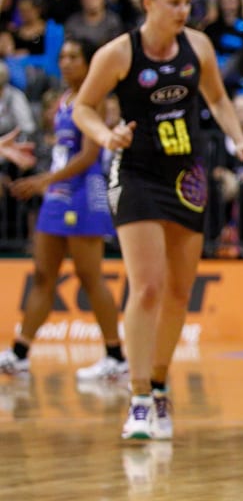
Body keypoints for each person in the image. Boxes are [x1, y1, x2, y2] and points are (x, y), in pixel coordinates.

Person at [72, 0, 243, 440]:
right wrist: (104, 134)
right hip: (135, 173)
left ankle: (158, 386)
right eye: (174, 2)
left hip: (187, 176)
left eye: (187, 2)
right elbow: (83, 107)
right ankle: (137, 398)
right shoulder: (118, 53)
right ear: (148, 3)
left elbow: (217, 99)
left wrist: (240, 142)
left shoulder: (198, 47)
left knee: (179, 291)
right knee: (149, 287)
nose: (184, 11)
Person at [1, 39, 127, 381]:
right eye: (63, 57)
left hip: (84, 192)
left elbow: (88, 156)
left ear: (89, 63)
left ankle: (116, 355)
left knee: (90, 276)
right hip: (57, 192)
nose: (67, 62)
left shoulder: (95, 98)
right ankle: (21, 353)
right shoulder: (62, 101)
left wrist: (44, 179)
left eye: (75, 56)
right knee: (43, 274)